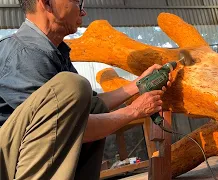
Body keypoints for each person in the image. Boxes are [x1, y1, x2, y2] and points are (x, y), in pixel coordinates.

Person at [0, 0, 171, 179]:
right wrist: (134, 111)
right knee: (72, 86)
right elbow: (66, 124)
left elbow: (88, 107)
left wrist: (138, 84)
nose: (83, 12)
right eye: (77, 2)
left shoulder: (52, 51)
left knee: (85, 100)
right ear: (47, 3)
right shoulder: (22, 54)